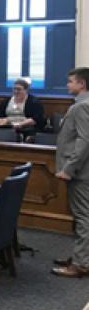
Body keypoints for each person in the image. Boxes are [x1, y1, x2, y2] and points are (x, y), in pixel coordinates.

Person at [52, 68, 89, 278]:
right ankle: (81, 256)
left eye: (70, 81)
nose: (67, 85)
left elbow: (84, 141)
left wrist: (69, 168)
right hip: (83, 171)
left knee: (83, 216)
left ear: (82, 84)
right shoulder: (82, 104)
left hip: (81, 172)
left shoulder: (82, 107)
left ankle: (81, 263)